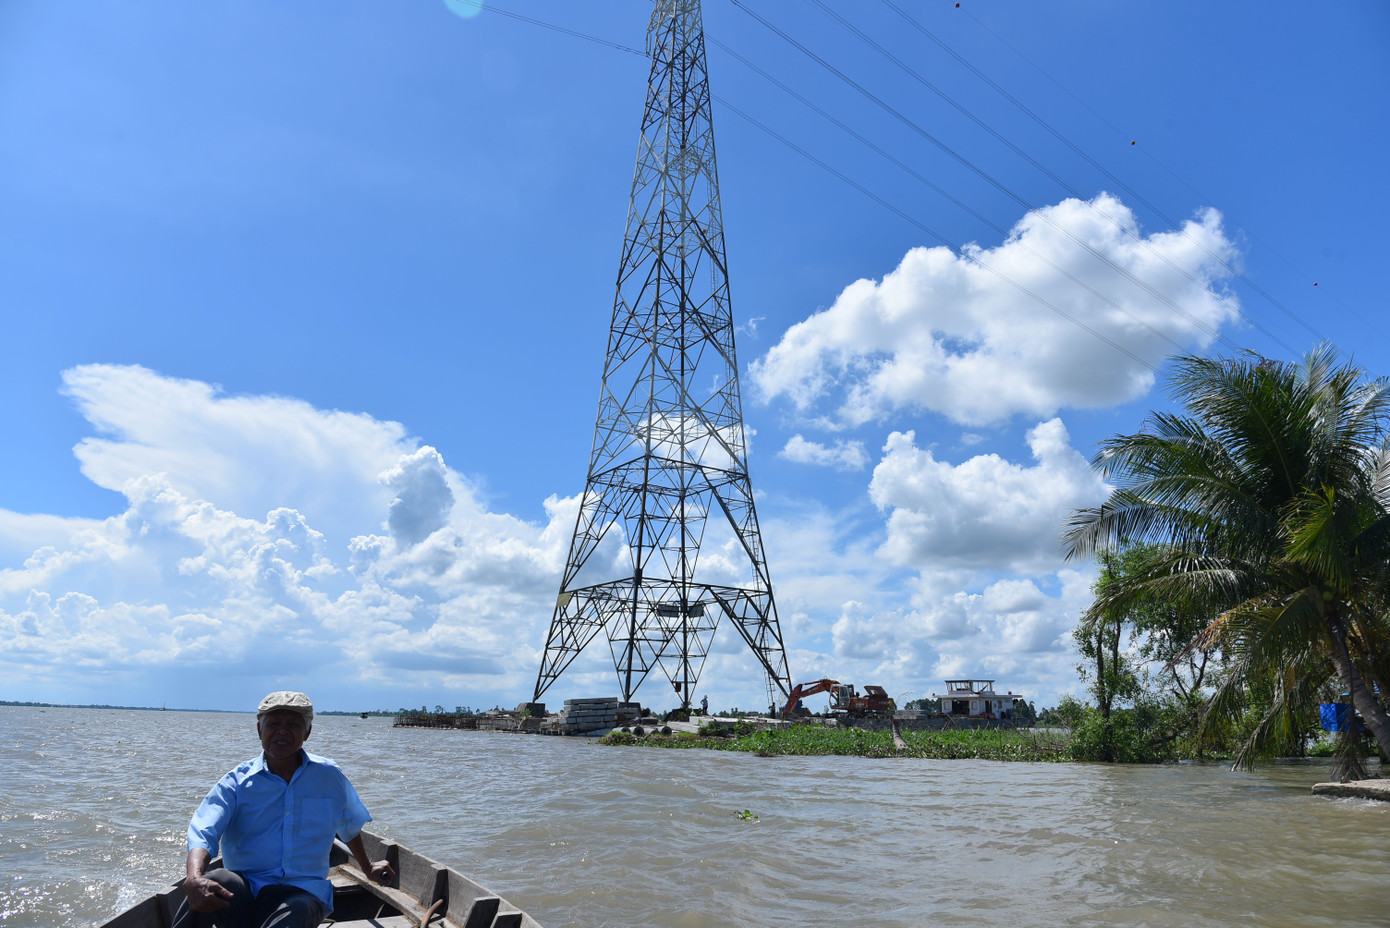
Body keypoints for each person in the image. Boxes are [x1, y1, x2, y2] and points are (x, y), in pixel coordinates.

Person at [174, 691, 394, 928]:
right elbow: (204, 830)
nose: (282, 731)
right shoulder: (237, 782)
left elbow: (348, 826)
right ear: (260, 730)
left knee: (299, 908)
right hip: (246, 890)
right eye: (274, 724)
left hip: (301, 892)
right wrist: (194, 876)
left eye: (293, 725)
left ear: (307, 732)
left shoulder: (329, 776)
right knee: (213, 881)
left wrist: (368, 868)